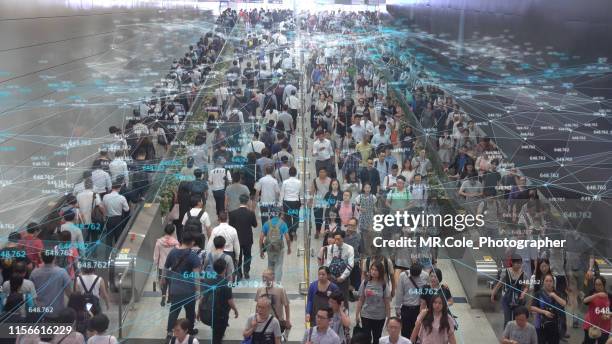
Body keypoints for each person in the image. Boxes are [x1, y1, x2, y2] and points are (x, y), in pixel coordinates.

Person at [162, 232, 201, 337]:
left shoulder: (172, 252)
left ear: (181, 240)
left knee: (174, 311)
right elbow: (196, 276)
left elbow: (165, 268)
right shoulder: (193, 256)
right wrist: (198, 290)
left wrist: (163, 280)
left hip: (175, 289)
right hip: (189, 290)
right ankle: (189, 330)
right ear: (192, 242)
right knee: (190, 311)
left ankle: (170, 332)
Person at [198, 258, 239, 343]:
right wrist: (235, 310)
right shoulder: (225, 283)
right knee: (217, 338)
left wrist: (198, 311)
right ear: (225, 269)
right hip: (220, 315)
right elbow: (230, 301)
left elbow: (202, 297)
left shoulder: (207, 280)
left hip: (209, 312)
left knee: (216, 333)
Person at [355, 260, 391, 344]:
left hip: (379, 316)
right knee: (366, 338)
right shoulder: (365, 282)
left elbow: (387, 303)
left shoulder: (384, 284)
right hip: (366, 314)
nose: (374, 272)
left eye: (376, 270)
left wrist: (388, 318)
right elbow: (360, 300)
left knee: (377, 338)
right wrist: (357, 315)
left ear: (380, 272)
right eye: (372, 269)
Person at [30, 249, 72, 319]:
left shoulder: (34, 273)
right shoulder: (62, 272)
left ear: (42, 258)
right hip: (57, 311)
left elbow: (30, 294)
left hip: (39, 312)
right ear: (54, 258)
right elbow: (69, 293)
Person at [491, 254, 529, 328]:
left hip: (518, 300)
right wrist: (493, 294)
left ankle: (515, 336)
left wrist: (523, 294)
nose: (519, 265)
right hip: (506, 299)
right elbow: (499, 284)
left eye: (520, 263)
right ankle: (506, 337)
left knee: (517, 319)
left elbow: (527, 286)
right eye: (517, 263)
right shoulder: (505, 271)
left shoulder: (524, 274)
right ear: (512, 263)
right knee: (507, 320)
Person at [529, 272, 565, 344]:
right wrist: (544, 312)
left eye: (550, 281)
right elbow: (532, 307)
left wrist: (554, 295)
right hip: (541, 324)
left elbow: (563, 303)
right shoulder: (538, 293)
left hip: (555, 324)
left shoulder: (557, 293)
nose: (548, 283)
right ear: (543, 282)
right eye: (546, 281)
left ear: (553, 282)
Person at [255, 269, 292, 338]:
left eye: (266, 277)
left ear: (273, 278)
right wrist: (255, 317)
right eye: (263, 277)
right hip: (263, 321)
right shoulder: (260, 289)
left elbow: (286, 305)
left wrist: (287, 320)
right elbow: (257, 305)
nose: (264, 279)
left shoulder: (280, 289)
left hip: (277, 321)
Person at [395, 263, 428, 338]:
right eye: (413, 275)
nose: (415, 277)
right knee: (405, 332)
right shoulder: (403, 275)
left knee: (417, 332)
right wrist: (397, 308)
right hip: (406, 308)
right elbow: (399, 292)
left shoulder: (425, 276)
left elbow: (428, 290)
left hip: (418, 309)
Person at [229, 194, 258, 280]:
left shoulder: (233, 213)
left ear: (239, 201)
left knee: (238, 256)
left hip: (236, 239)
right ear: (247, 201)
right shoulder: (251, 213)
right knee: (248, 255)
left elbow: (231, 226)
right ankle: (246, 271)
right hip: (248, 238)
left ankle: (239, 273)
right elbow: (255, 225)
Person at [323, 230, 354, 309]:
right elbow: (328, 263)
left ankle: (345, 316)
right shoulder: (330, 248)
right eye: (335, 239)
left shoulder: (349, 248)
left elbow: (351, 264)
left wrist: (343, 277)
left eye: (339, 239)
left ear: (343, 239)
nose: (336, 241)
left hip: (344, 278)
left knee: (344, 298)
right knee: (331, 297)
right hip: (332, 278)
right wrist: (331, 276)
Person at [260, 211, 292, 282]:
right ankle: (277, 284)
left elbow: (261, 238)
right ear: (280, 215)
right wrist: (289, 248)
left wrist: (261, 250)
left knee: (270, 265)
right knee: (279, 266)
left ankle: (269, 282)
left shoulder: (267, 223)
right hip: (279, 248)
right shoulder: (283, 224)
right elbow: (287, 238)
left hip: (269, 248)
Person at [154, 223, 179, 306]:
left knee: (163, 282)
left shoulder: (159, 242)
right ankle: (170, 298)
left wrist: (155, 265)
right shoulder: (176, 243)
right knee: (171, 282)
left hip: (162, 266)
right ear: (173, 232)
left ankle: (163, 296)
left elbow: (156, 256)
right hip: (172, 267)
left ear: (165, 231)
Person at [582, 276, 611, 344]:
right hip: (591, 326)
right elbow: (584, 301)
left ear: (604, 285)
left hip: (604, 327)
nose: (597, 287)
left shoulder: (609, 295)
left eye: (600, 284)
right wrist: (596, 295)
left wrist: (609, 315)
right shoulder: (592, 292)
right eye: (596, 284)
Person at [280, 166, 302, 241]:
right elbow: (300, 193)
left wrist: (280, 204)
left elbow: (282, 193)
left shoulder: (285, 182)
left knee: (288, 218)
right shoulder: (299, 182)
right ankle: (294, 230)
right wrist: (302, 202)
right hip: (295, 202)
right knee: (296, 217)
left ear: (289, 173)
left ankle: (289, 232)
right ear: (295, 173)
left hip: (287, 202)